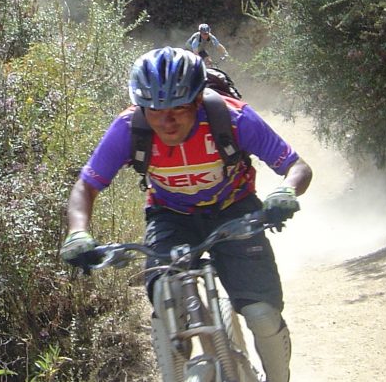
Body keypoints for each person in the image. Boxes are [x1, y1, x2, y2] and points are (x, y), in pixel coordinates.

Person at [60, 47, 312, 382]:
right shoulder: (128, 127)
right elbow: (85, 186)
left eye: (178, 108)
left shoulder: (232, 118)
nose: (166, 121)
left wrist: (286, 192)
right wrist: (78, 232)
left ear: (196, 100)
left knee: (262, 315)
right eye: (154, 111)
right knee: (166, 297)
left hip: (234, 209)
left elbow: (297, 166)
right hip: (170, 215)